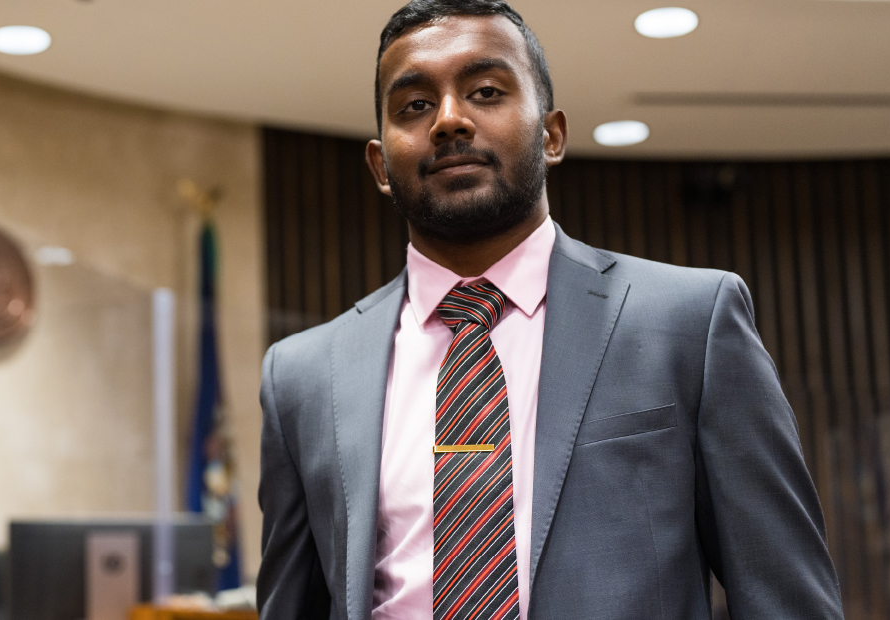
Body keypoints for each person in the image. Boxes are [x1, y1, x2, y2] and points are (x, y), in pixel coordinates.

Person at [255, 1, 843, 618]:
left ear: (552, 133)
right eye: (415, 106)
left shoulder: (688, 324)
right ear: (380, 163)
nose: (449, 120)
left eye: (485, 92)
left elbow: (788, 598)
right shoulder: (302, 376)